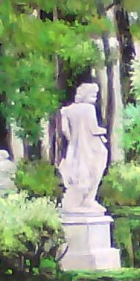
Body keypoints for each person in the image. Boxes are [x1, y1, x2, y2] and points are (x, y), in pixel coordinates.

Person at [58, 83, 109, 212]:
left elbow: (65, 130)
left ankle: (79, 201)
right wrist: (104, 131)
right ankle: (89, 199)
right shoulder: (89, 109)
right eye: (93, 95)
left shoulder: (66, 110)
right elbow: (93, 129)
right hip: (91, 145)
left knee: (78, 172)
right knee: (96, 170)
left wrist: (72, 140)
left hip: (75, 146)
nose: (95, 98)